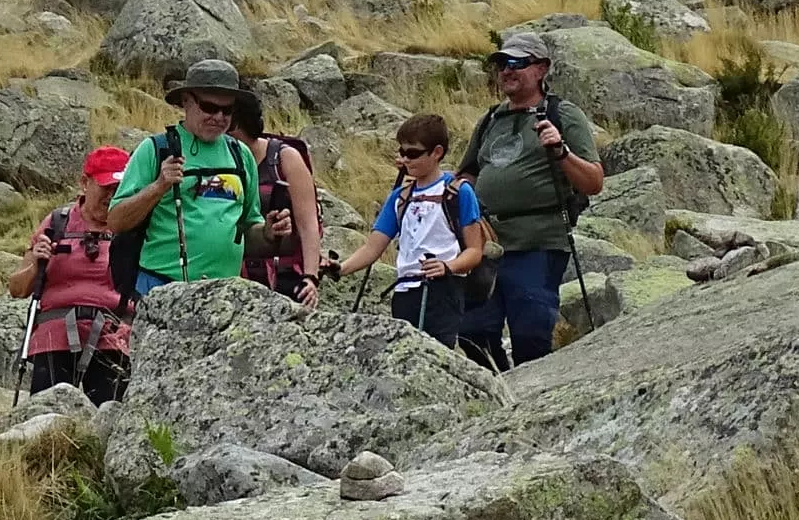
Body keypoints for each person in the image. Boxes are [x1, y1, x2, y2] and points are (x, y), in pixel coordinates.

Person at [458, 33, 606, 367]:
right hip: (487, 245)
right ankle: (497, 394)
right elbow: (467, 173)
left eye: (516, 63)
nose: (506, 71)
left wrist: (561, 152)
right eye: (501, 64)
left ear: (541, 69)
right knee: (473, 330)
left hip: (538, 244)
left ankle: (530, 402)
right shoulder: (489, 120)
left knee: (530, 334)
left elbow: (594, 181)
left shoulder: (562, 115)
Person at [330, 114, 489, 351]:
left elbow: (475, 251)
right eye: (401, 152)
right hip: (404, 292)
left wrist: (448, 267)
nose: (404, 159)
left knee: (436, 356)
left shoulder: (458, 192)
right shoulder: (400, 197)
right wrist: (341, 269)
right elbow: (373, 246)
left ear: (436, 152)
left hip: (443, 290)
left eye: (412, 153)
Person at [108, 59, 261, 297]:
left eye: (227, 110)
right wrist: (158, 187)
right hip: (159, 287)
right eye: (209, 107)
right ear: (186, 101)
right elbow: (116, 221)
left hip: (225, 294)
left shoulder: (241, 155)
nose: (219, 117)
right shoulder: (155, 150)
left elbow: (250, 226)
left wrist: (272, 233)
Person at [6, 145, 137, 402]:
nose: (112, 196)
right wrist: (37, 262)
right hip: (55, 338)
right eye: (105, 187)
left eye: (118, 189)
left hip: (113, 340)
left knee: (106, 420)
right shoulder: (57, 223)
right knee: (45, 424)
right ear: (84, 183)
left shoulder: (132, 227)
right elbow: (17, 288)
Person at [233, 95, 324, 306]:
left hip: (283, 273)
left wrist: (310, 278)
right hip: (237, 271)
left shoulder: (286, 158)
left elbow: (308, 223)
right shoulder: (223, 157)